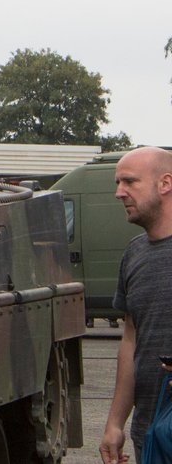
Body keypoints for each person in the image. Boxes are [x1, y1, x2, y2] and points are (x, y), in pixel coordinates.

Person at [102, 147, 172, 463]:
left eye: (130, 182)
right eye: (118, 183)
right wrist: (116, 423)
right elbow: (131, 340)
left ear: (165, 183)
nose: (119, 193)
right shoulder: (135, 254)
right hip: (151, 435)